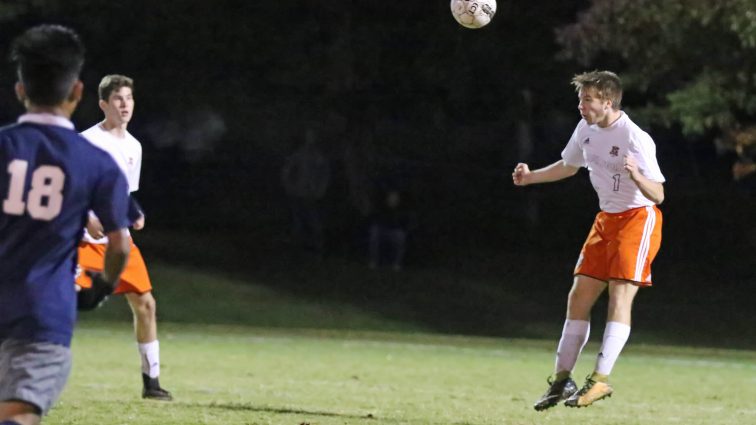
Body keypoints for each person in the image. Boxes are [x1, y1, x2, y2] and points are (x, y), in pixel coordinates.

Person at [0, 25, 131, 425]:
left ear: (21, 91)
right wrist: (101, 288)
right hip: (42, 316)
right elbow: (120, 244)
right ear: (76, 92)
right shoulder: (96, 163)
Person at [512, 70, 665, 410]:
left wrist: (637, 175)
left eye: (587, 99)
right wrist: (531, 177)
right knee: (578, 296)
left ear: (607, 102)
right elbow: (569, 165)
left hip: (638, 221)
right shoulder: (586, 129)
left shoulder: (635, 138)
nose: (580, 105)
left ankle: (599, 381)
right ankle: (561, 381)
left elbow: (658, 194)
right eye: (580, 99)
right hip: (605, 221)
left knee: (619, 299)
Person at [73, 75, 172, 401]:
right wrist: (87, 217)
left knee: (146, 304)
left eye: (129, 98)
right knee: (57, 303)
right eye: (118, 99)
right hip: (82, 241)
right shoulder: (85, 141)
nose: (125, 105)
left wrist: (134, 212)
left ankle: (152, 383)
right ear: (103, 104)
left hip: (119, 242)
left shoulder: (134, 146)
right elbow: (72, 190)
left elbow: (124, 193)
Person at [281, 127, 331, 255]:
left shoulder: (319, 155)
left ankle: (317, 248)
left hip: (313, 193)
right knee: (298, 221)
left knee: (314, 221)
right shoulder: (300, 153)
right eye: (308, 136)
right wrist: (289, 185)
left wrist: (321, 189)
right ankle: (298, 248)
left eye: (312, 136)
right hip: (298, 192)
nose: (310, 138)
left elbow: (325, 173)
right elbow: (288, 168)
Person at [368, 188, 412, 271]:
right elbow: (377, 220)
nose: (393, 200)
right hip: (383, 230)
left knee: (401, 237)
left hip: (395, 231)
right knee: (374, 233)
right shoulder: (382, 208)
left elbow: (405, 223)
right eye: (391, 198)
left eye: (395, 199)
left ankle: (397, 263)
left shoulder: (402, 209)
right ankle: (374, 261)